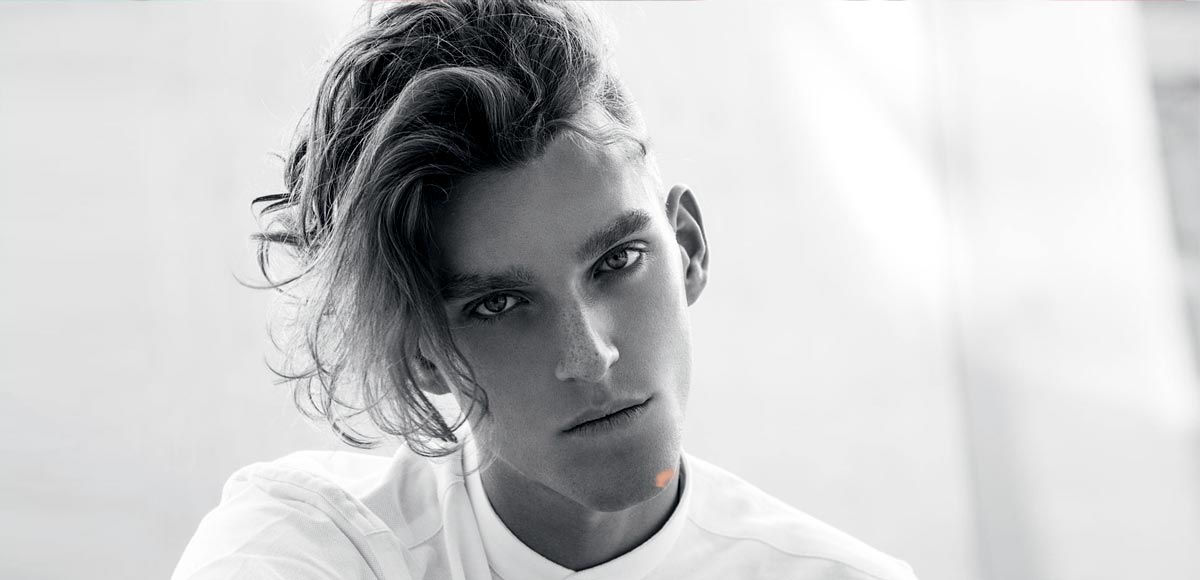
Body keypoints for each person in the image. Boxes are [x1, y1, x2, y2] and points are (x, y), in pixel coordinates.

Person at [173, 1, 919, 578]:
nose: (590, 356)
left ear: (688, 247)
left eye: (618, 261)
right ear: (426, 354)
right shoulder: (310, 543)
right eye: (499, 305)